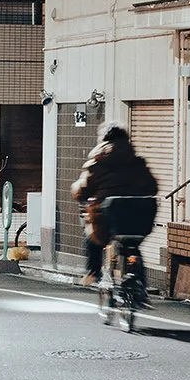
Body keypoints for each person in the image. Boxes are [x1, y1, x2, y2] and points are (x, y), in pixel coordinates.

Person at [69, 124, 159, 296]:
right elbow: (153, 187)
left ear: (103, 141)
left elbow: (82, 189)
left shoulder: (97, 162)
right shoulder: (138, 162)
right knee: (132, 245)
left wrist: (78, 193)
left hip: (110, 214)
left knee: (92, 236)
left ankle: (93, 273)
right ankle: (141, 288)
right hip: (140, 213)